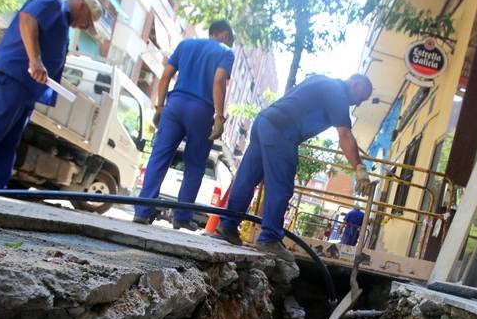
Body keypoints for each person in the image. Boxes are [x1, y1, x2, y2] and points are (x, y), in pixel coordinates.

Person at [213, 73, 373, 258]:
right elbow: (344, 135)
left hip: (265, 121)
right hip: (283, 130)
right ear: (354, 83)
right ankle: (269, 239)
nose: (358, 103)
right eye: (361, 96)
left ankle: (227, 226)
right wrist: (359, 168)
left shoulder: (321, 80)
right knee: (280, 185)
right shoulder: (339, 93)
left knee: (247, 178)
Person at [0, 0, 102, 191]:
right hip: (12, 77)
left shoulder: (62, 23)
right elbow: (27, 19)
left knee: (9, 138)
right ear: (82, 6)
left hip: (26, 88)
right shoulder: (53, 3)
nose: (85, 27)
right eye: (88, 22)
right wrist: (35, 60)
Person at [134, 19, 235, 231]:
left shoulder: (185, 44)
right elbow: (218, 81)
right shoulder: (226, 52)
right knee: (195, 164)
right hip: (201, 110)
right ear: (225, 35)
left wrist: (160, 106)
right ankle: (181, 216)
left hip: (175, 105)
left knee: (159, 157)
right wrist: (219, 116)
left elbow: (165, 76)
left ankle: (142, 212)